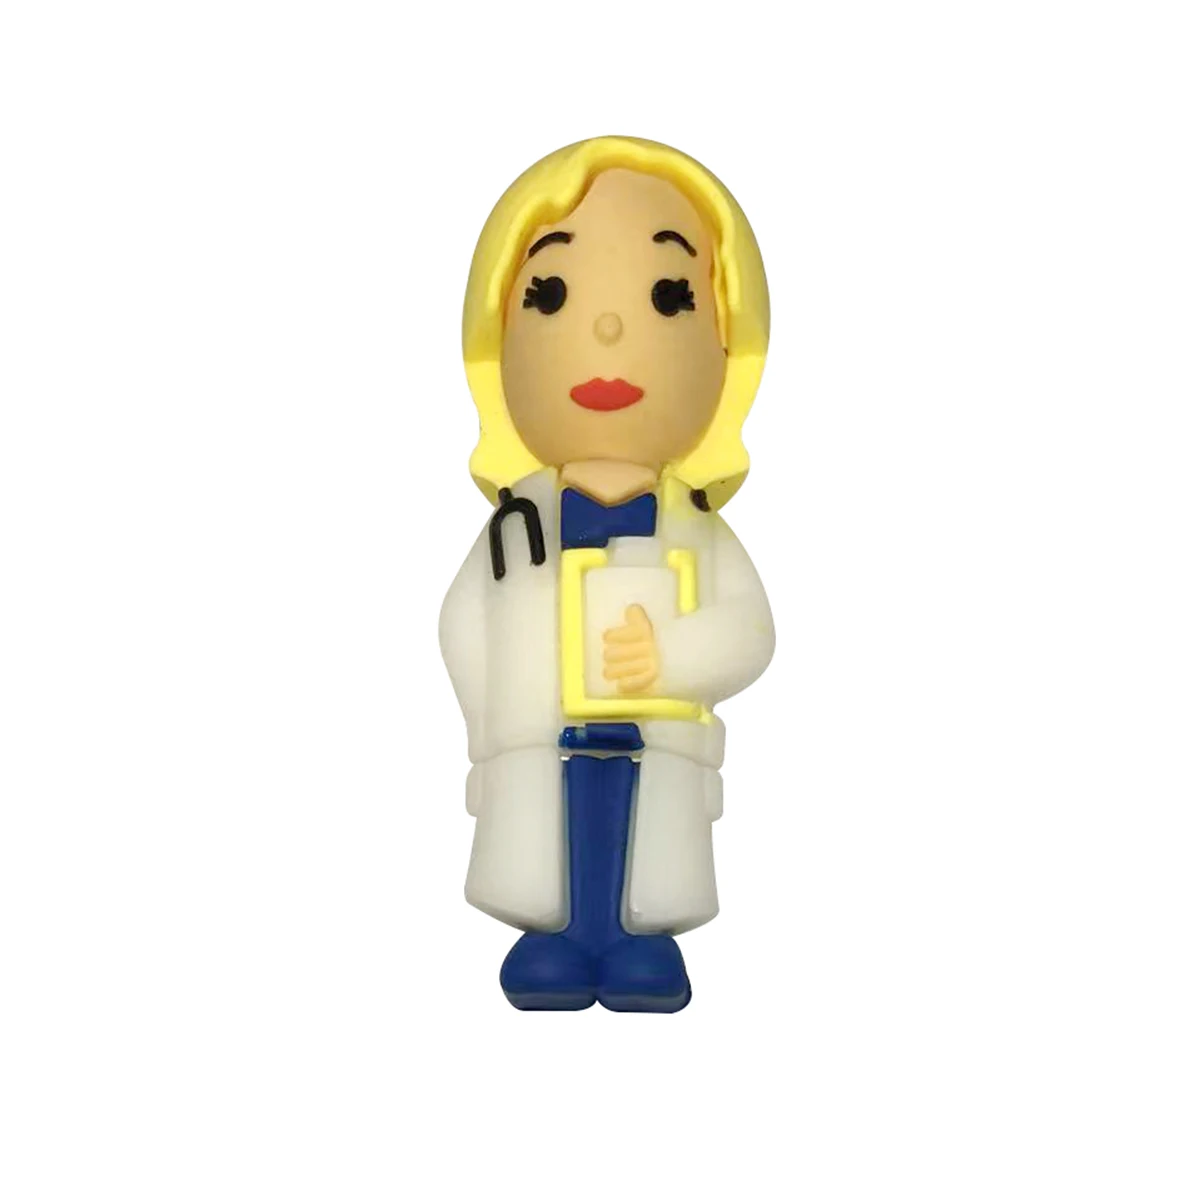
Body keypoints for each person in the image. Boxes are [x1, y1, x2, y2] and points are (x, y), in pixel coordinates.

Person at [440, 136, 774, 1011]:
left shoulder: (694, 527)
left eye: (669, 298)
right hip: (538, 746)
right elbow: (461, 624)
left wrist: (672, 657)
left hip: (655, 750)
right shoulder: (517, 526)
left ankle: (633, 941)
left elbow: (752, 632)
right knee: (542, 852)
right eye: (550, 296)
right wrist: (488, 727)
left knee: (647, 860)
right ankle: (561, 936)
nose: (609, 333)